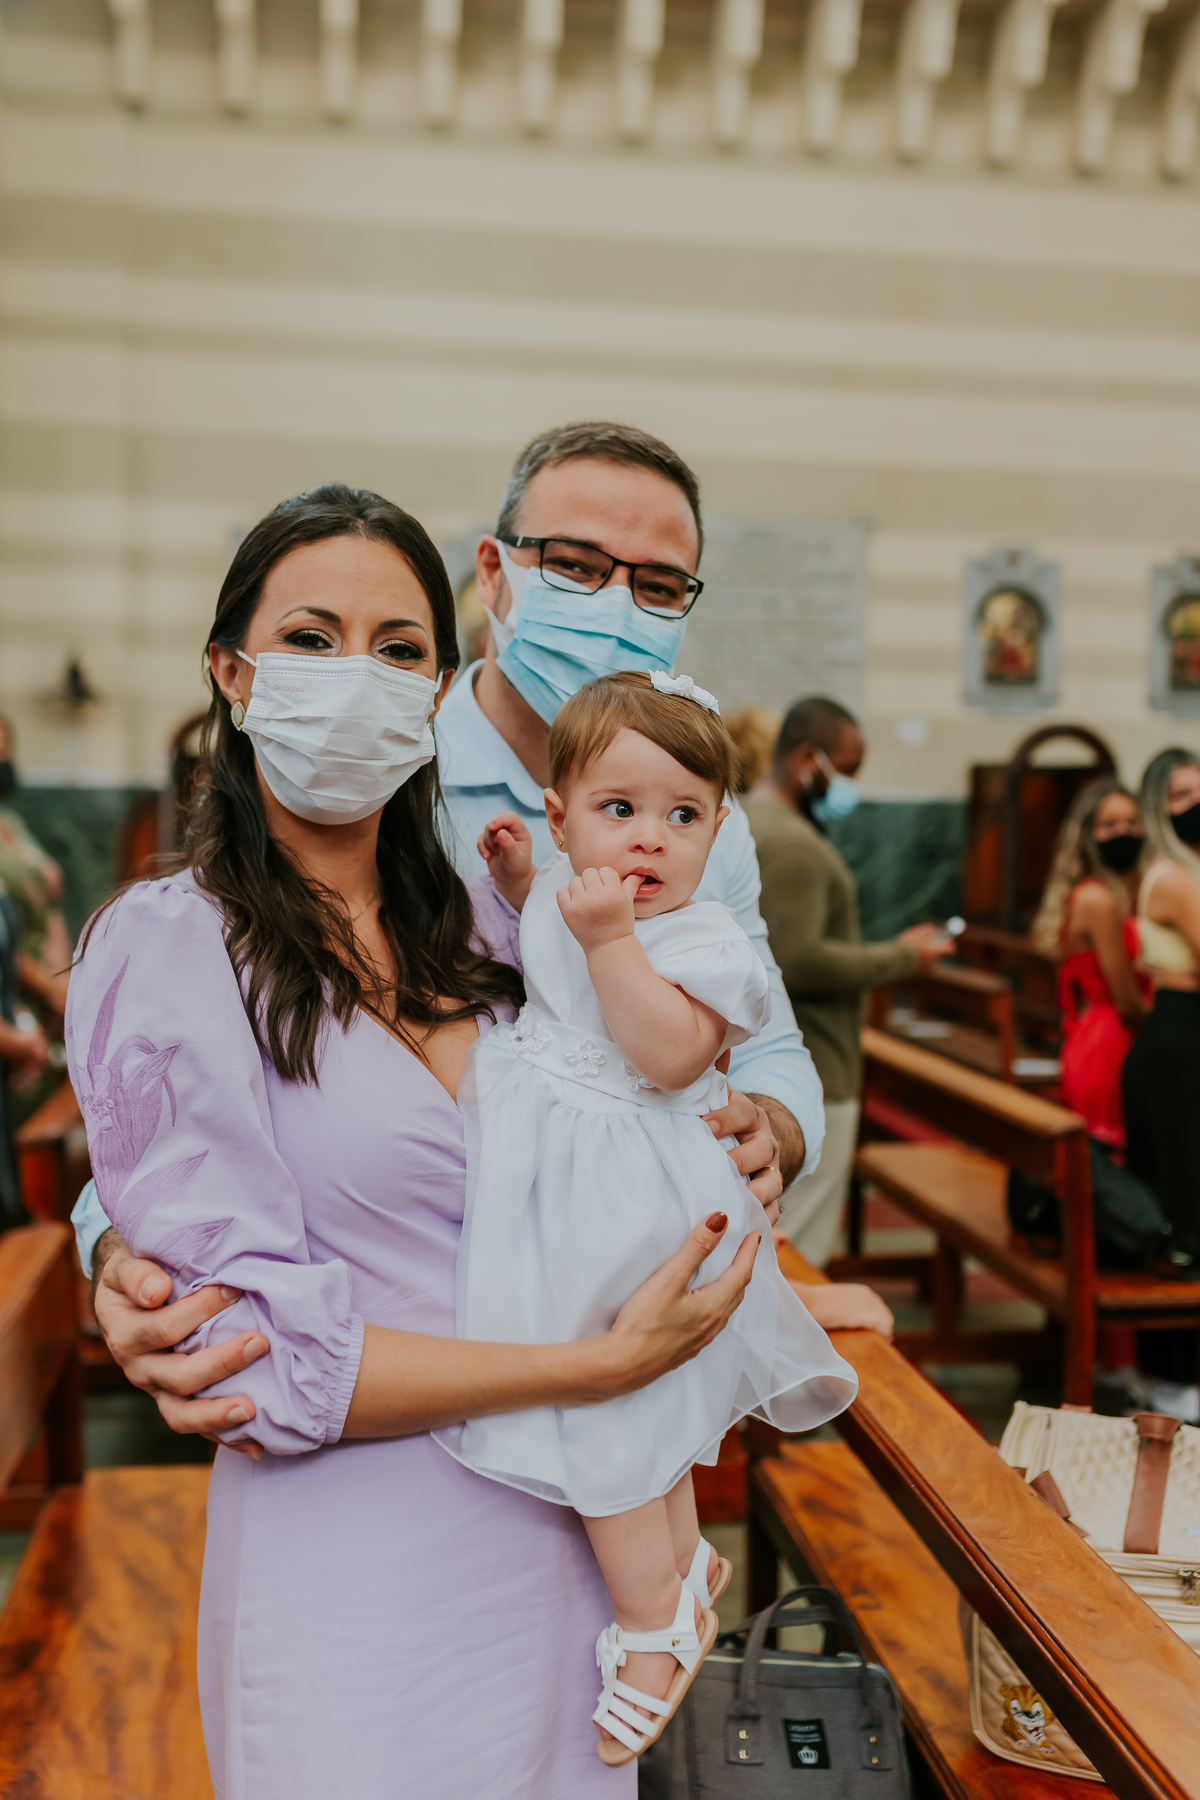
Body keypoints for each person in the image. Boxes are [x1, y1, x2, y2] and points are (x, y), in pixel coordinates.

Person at [65, 485, 765, 1800]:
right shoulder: (167, 949)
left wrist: (735, 1138)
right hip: (360, 1566)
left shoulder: (497, 929)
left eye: (398, 648)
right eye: (310, 638)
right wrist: (597, 1364)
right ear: (232, 672)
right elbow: (247, 1351)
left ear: (438, 686)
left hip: (571, 1548)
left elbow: (634, 1115)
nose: (356, 674)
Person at [75, 422, 893, 1411]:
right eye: (577, 565)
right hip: (407, 1369)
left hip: (614, 1305)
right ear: (496, 574)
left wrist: (773, 1131)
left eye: (658, 585)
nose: (615, 606)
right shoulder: (373, 779)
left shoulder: (697, 823)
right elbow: (187, 1091)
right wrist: (118, 1246)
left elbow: (767, 1044)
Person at [439, 671, 855, 1764]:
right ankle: (683, 1565)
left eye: (683, 816)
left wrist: (612, 939)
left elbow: (670, 1053)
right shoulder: (572, 889)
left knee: (610, 1398)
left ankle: (651, 1624)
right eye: (618, 809)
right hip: (561, 1176)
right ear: (560, 815)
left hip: (633, 1189)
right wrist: (525, 882)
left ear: (719, 830)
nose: (649, 839)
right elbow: (549, 945)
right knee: (615, 1390)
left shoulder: (700, 938)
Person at [743, 696, 952, 1266]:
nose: (853, 785)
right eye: (849, 768)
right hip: (813, 1067)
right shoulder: (793, 843)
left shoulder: (748, 820)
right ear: (807, 760)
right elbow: (797, 960)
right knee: (795, 1250)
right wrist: (905, 956)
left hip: (772, 1064)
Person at [1121, 748, 1200, 1420]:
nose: (1195, 804)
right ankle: (1173, 1378)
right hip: (1177, 1047)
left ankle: (1167, 1373)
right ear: (1157, 808)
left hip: (1181, 1040)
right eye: (1180, 795)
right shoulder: (1173, 877)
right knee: (1183, 1217)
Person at [1031, 778, 1149, 1151]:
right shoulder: (1097, 900)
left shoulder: (1099, 892)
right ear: (1087, 834)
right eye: (1109, 825)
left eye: (1132, 822)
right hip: (1110, 1041)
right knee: (1111, 1159)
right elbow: (1125, 1001)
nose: (1125, 832)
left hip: (1095, 1035)